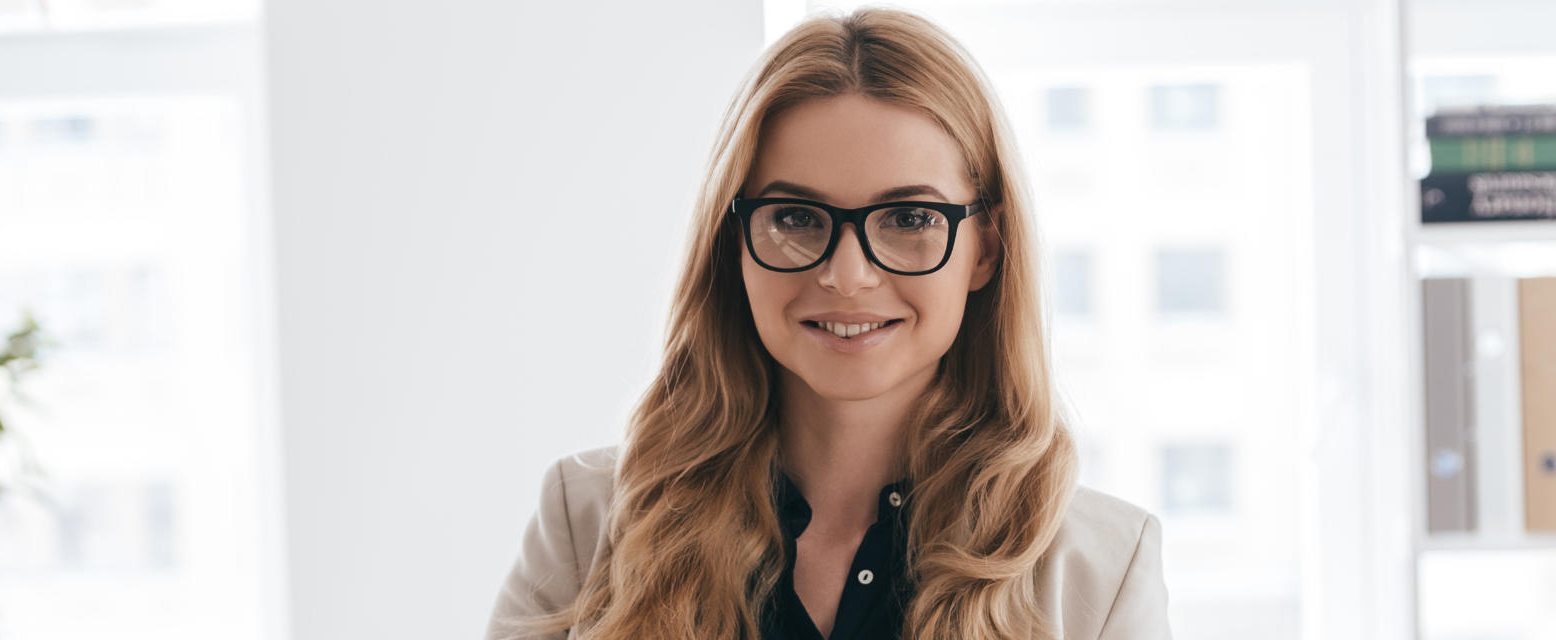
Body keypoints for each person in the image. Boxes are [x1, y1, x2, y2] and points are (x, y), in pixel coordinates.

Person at [487, 7, 1170, 640]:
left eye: (909, 219)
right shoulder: (586, 524)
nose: (847, 276)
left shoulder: (1103, 572)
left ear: (985, 248)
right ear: (733, 242)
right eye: (794, 218)